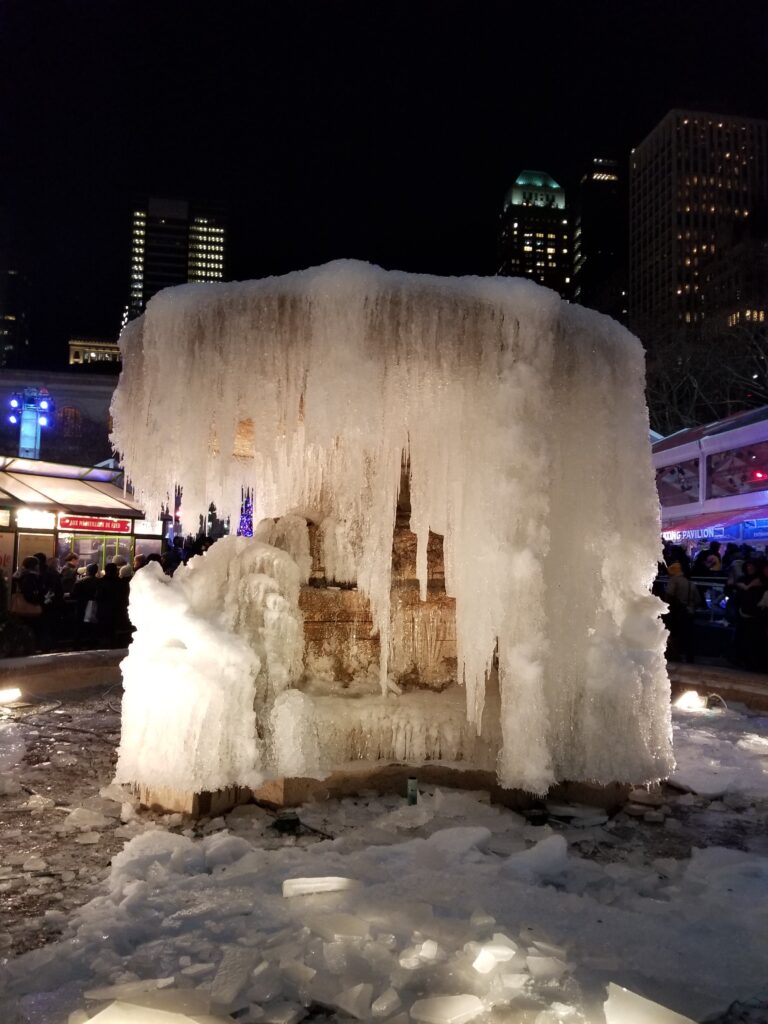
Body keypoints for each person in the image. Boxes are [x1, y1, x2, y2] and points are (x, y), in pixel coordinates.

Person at [732, 558, 766, 670]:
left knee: (754, 641)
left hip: (756, 617)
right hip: (743, 615)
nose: (749, 568)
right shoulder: (744, 580)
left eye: (751, 566)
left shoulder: (761, 581)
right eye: (748, 566)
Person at [664, 561, 701, 663]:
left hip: (677, 612)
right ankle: (689, 657)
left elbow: (669, 595)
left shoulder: (674, 580)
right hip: (689, 612)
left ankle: (675, 655)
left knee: (675, 634)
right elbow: (698, 600)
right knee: (688, 636)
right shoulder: (691, 584)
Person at [96, 563, 130, 647]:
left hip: (104, 612)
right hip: (118, 612)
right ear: (116, 571)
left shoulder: (100, 583)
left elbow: (98, 597)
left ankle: (104, 647)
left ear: (106, 571)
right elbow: (125, 597)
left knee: (104, 633)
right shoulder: (122, 583)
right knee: (115, 632)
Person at [72, 563, 99, 649]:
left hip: (82, 606)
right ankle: (92, 645)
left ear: (87, 571)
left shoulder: (80, 581)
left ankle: (77, 645)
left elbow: (73, 594)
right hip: (95, 607)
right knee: (93, 628)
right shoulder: (100, 582)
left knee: (79, 627)